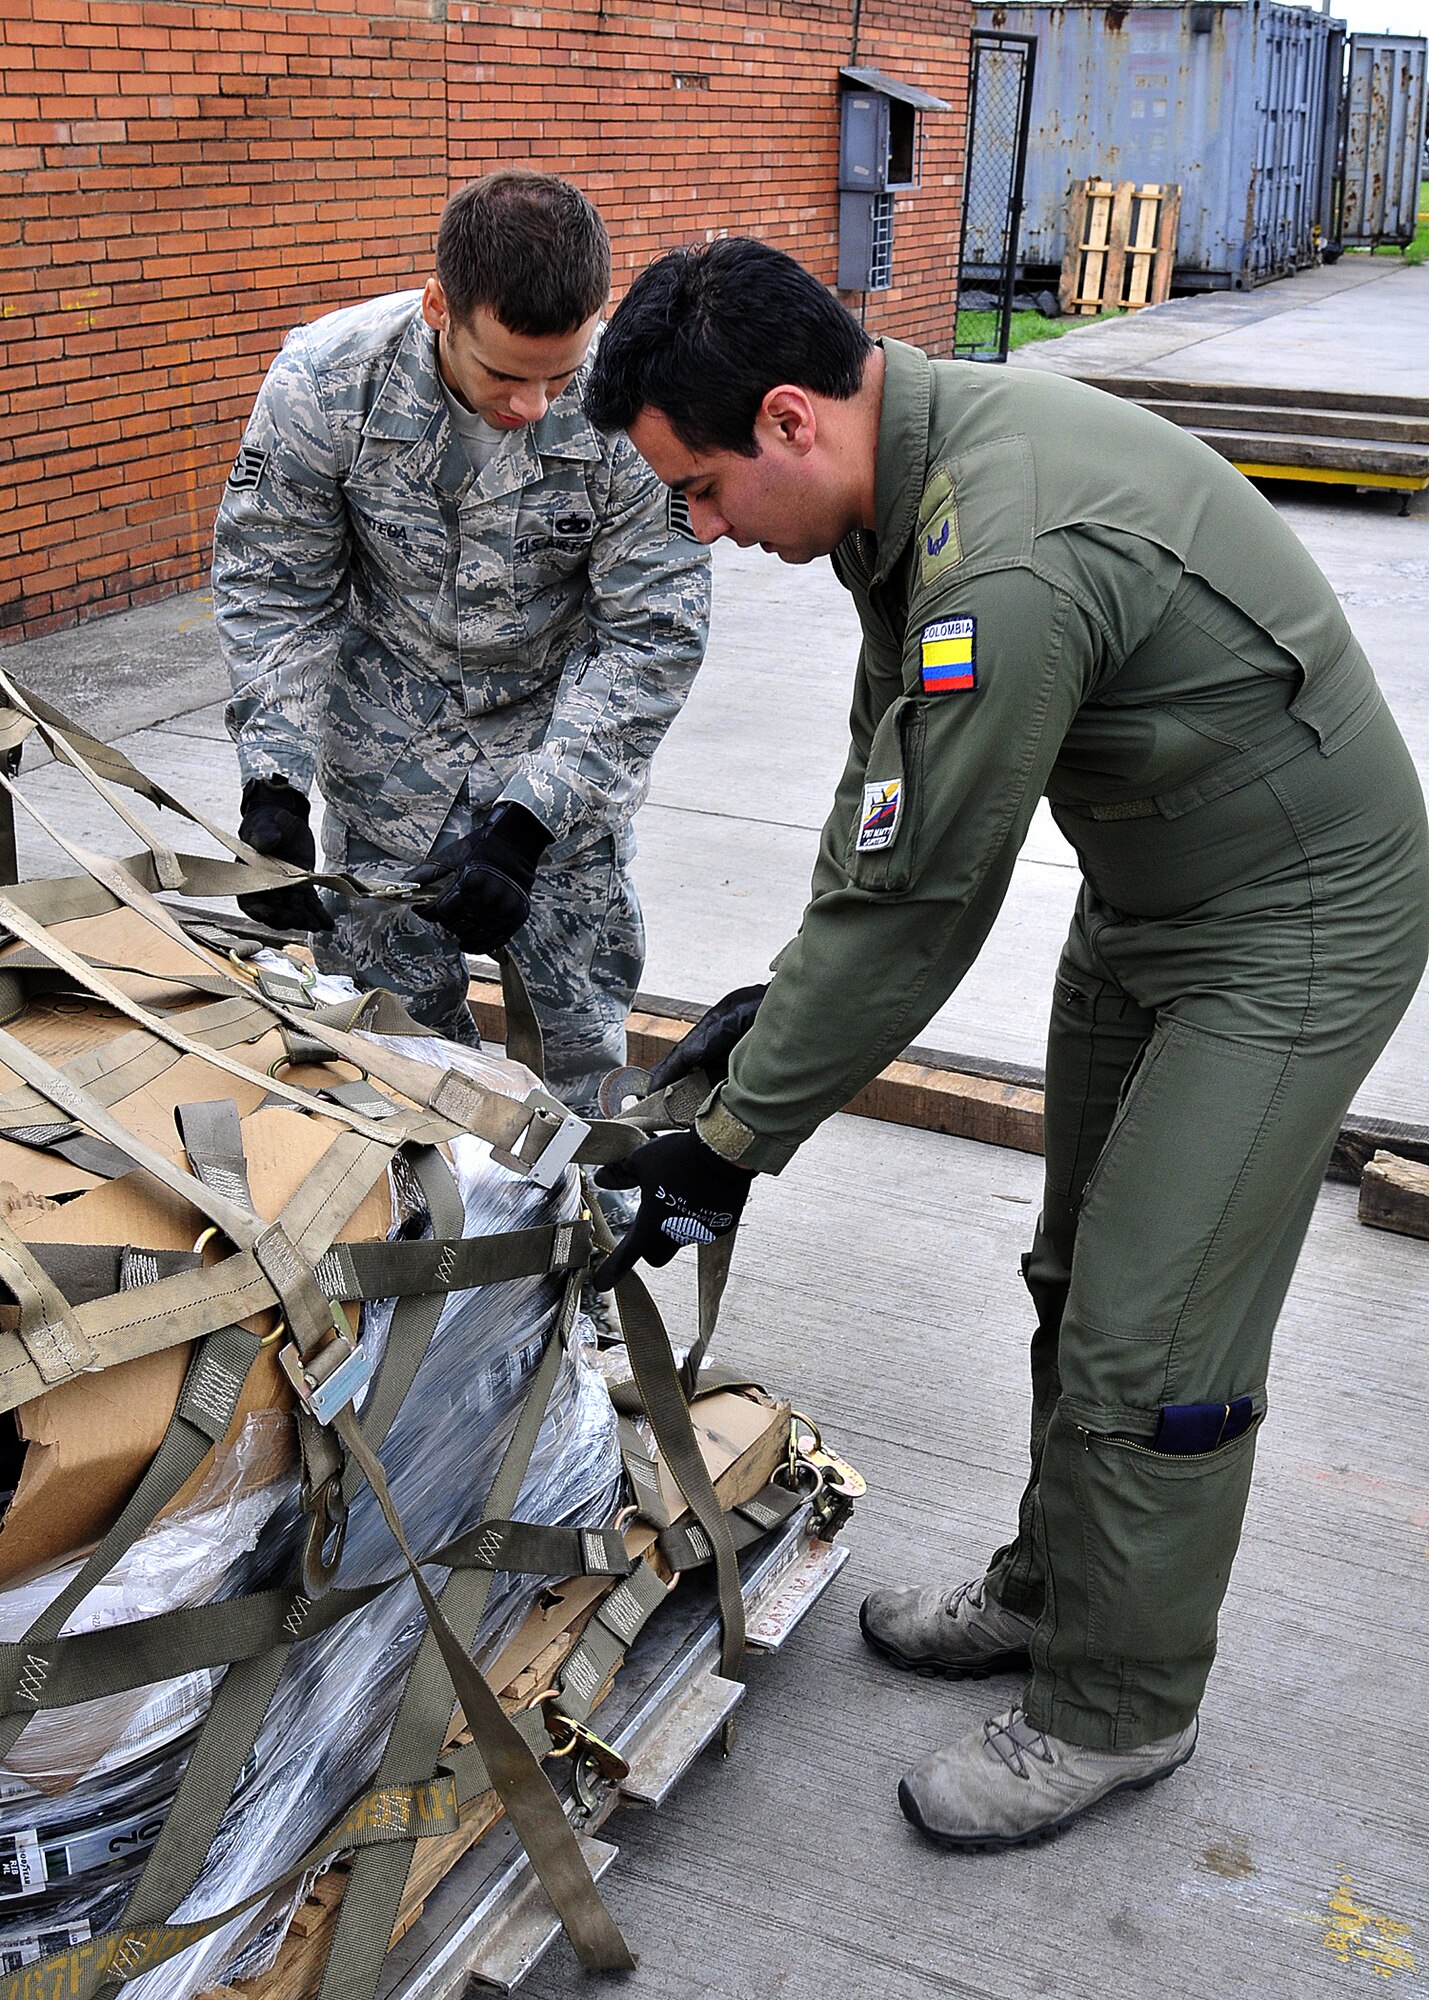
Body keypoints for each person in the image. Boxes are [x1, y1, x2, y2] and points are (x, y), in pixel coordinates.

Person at [582, 237, 1429, 1850]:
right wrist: (781, 997)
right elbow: (882, 799)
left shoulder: (1002, 553)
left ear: (781, 422)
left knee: (1150, 1331)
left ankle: (1121, 1709)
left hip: (1292, 928)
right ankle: (1057, 1588)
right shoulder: (895, 491)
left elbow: (925, 909)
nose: (696, 530)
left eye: (693, 490)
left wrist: (733, 1139)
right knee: (1070, 1275)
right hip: (1155, 888)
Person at [212, 170, 711, 1131]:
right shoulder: (326, 384)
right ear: (439, 305)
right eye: (504, 373)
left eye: (559, 375)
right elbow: (279, 588)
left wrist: (529, 824)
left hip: (562, 789)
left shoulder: (626, 411)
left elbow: (650, 633)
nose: (534, 403)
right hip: (388, 776)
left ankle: (571, 1278)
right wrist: (272, 785)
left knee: (581, 1094)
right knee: (391, 1075)